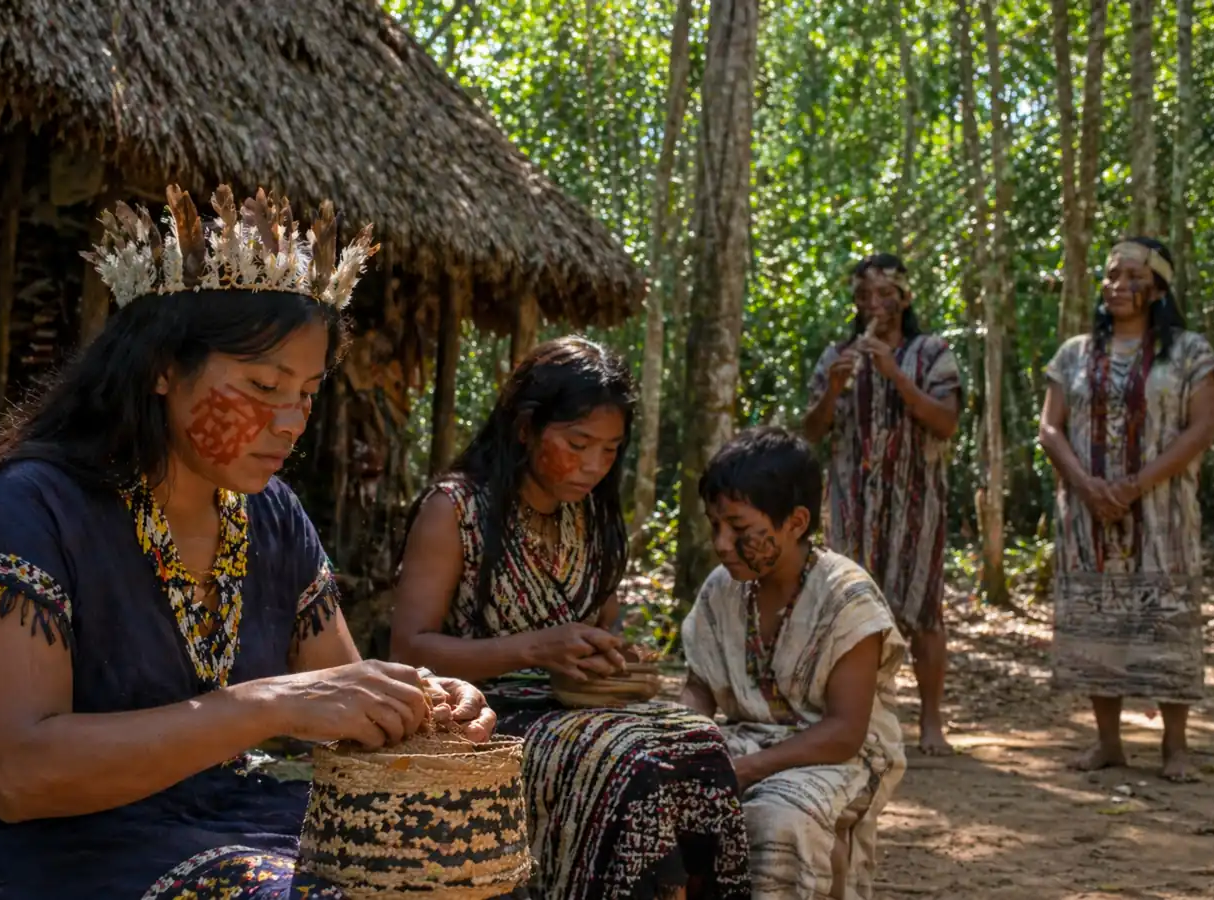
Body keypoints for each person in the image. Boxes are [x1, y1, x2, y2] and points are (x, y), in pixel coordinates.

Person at [0, 185, 494, 899]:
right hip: (10, 841)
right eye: (264, 386)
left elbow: (334, 698)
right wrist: (270, 704)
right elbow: (21, 776)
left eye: (306, 392)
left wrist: (416, 704)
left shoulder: (271, 516)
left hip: (206, 810)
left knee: (443, 865)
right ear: (162, 368)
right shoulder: (29, 507)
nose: (292, 421)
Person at [391, 336, 751, 900]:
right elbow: (409, 651)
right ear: (526, 428)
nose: (593, 466)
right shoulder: (455, 510)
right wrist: (535, 649)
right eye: (578, 443)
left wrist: (612, 657)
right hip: (485, 717)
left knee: (701, 742)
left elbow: (599, 626)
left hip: (574, 711)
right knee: (625, 761)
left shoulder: (590, 514)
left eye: (609, 450)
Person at [680, 427, 906, 900]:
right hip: (745, 743)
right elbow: (699, 687)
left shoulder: (847, 597)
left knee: (776, 821)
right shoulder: (722, 587)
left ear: (796, 522)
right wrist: (688, 745)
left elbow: (846, 732)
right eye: (714, 525)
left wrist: (748, 768)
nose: (721, 544)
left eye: (739, 529)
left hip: (841, 756)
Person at [1039, 237, 1214, 783]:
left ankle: (1175, 747)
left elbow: (1202, 427)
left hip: (1161, 514)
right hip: (1088, 513)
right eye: (1111, 275)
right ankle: (1108, 742)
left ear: (1158, 288)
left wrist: (1136, 485)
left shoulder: (1190, 352)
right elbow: (1050, 428)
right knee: (1099, 619)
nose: (1117, 285)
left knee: (1166, 621)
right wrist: (1088, 486)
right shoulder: (1074, 353)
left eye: (1132, 276)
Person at [800, 253, 960, 756]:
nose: (874, 304)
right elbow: (810, 433)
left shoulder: (933, 353)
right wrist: (832, 389)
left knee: (925, 610)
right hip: (851, 503)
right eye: (865, 296)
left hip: (916, 503)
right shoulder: (837, 355)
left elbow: (946, 422)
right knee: (849, 609)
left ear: (905, 298)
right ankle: (855, 718)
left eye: (885, 295)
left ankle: (931, 722)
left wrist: (895, 375)